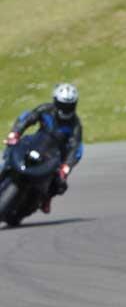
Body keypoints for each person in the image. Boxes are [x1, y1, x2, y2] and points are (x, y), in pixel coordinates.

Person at [3, 83, 83, 213]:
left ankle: (46, 199)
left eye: (69, 106)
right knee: (11, 148)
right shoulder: (46, 109)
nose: (66, 109)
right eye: (63, 105)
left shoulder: (75, 125)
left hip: (54, 155)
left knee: (60, 182)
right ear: (56, 102)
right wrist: (15, 133)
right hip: (36, 142)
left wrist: (66, 166)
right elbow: (28, 118)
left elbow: (75, 148)